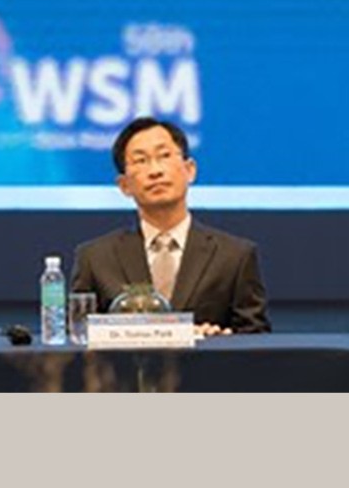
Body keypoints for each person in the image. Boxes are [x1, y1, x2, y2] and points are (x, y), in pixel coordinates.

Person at [70, 117, 271, 335]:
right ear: (124, 185)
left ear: (190, 170)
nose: (155, 171)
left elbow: (257, 339)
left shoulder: (235, 256)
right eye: (140, 161)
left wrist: (220, 341)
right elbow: (76, 338)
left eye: (164, 156)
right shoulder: (95, 259)